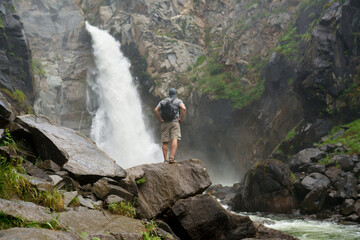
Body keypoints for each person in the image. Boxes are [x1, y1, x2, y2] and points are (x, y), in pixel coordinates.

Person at [154, 88, 186, 163]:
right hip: (175, 122)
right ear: (175, 94)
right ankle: (171, 158)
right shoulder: (178, 101)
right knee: (174, 139)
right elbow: (184, 109)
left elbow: (155, 110)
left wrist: (160, 120)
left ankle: (165, 160)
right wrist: (181, 119)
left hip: (165, 123)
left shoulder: (163, 101)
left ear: (169, 94)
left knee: (165, 141)